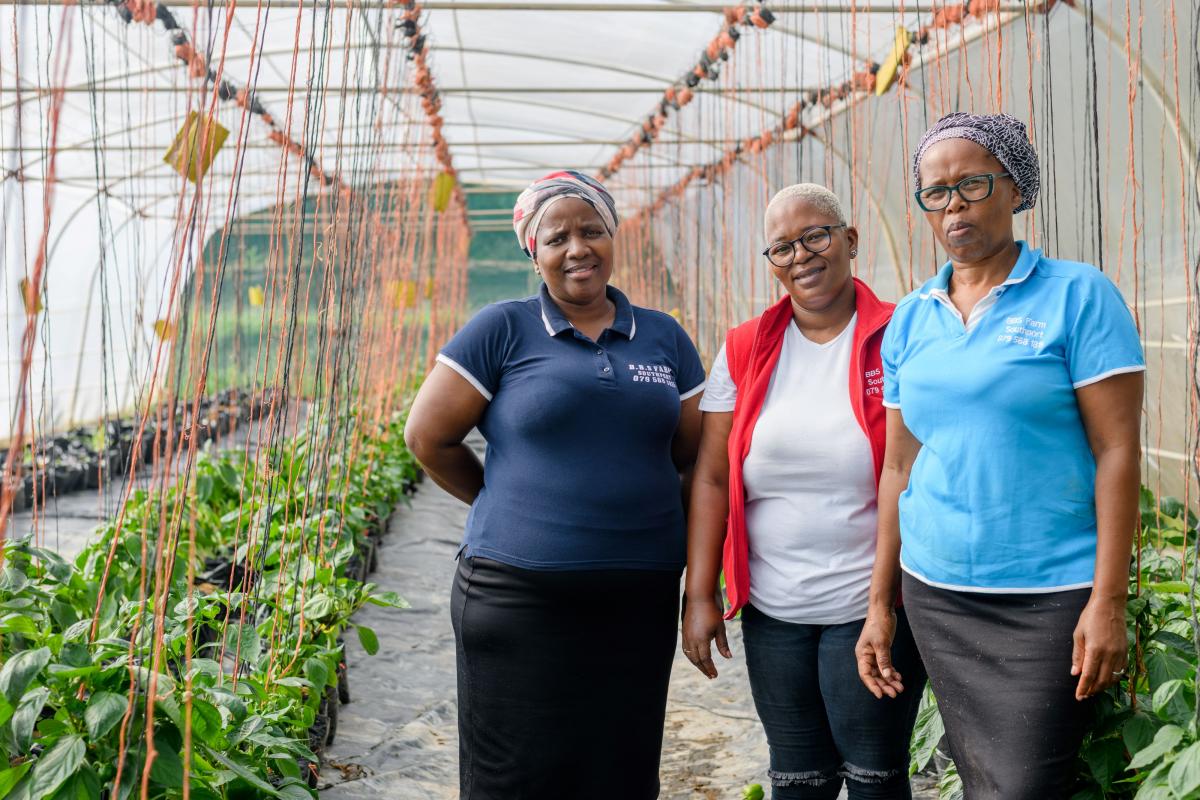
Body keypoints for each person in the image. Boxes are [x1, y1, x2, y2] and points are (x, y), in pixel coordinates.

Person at [854, 112, 1144, 798]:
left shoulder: (1078, 296)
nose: (953, 204)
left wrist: (1108, 600)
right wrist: (879, 603)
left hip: (1047, 597)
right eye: (936, 191)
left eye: (972, 184)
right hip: (937, 590)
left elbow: (1117, 450)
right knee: (981, 777)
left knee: (1020, 784)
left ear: (1014, 190)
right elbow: (899, 467)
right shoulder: (912, 320)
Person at [403, 169, 706, 800]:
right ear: (532, 251)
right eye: (556, 237)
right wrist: (503, 496)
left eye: (592, 230)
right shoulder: (503, 329)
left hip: (637, 601)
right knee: (516, 778)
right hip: (519, 599)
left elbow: (693, 457)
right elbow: (428, 438)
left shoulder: (662, 336)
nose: (577, 248)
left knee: (619, 773)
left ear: (613, 235)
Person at [682, 183, 925, 799]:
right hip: (773, 610)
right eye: (782, 247)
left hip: (870, 607)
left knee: (873, 776)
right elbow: (711, 476)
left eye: (816, 236)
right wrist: (700, 593)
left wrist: (884, 607)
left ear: (849, 240)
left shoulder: (901, 333)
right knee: (797, 778)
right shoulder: (745, 349)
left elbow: (913, 470)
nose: (801, 257)